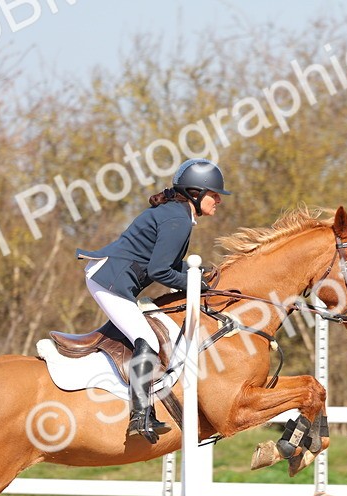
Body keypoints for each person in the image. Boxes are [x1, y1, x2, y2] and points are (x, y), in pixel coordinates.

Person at [76, 158, 231, 443]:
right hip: (108, 279)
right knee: (145, 339)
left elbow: (167, 264)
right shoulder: (178, 219)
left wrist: (200, 274)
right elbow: (161, 272)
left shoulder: (179, 214)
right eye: (214, 194)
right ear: (196, 193)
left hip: (116, 277)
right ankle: (139, 415)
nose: (219, 199)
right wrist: (195, 284)